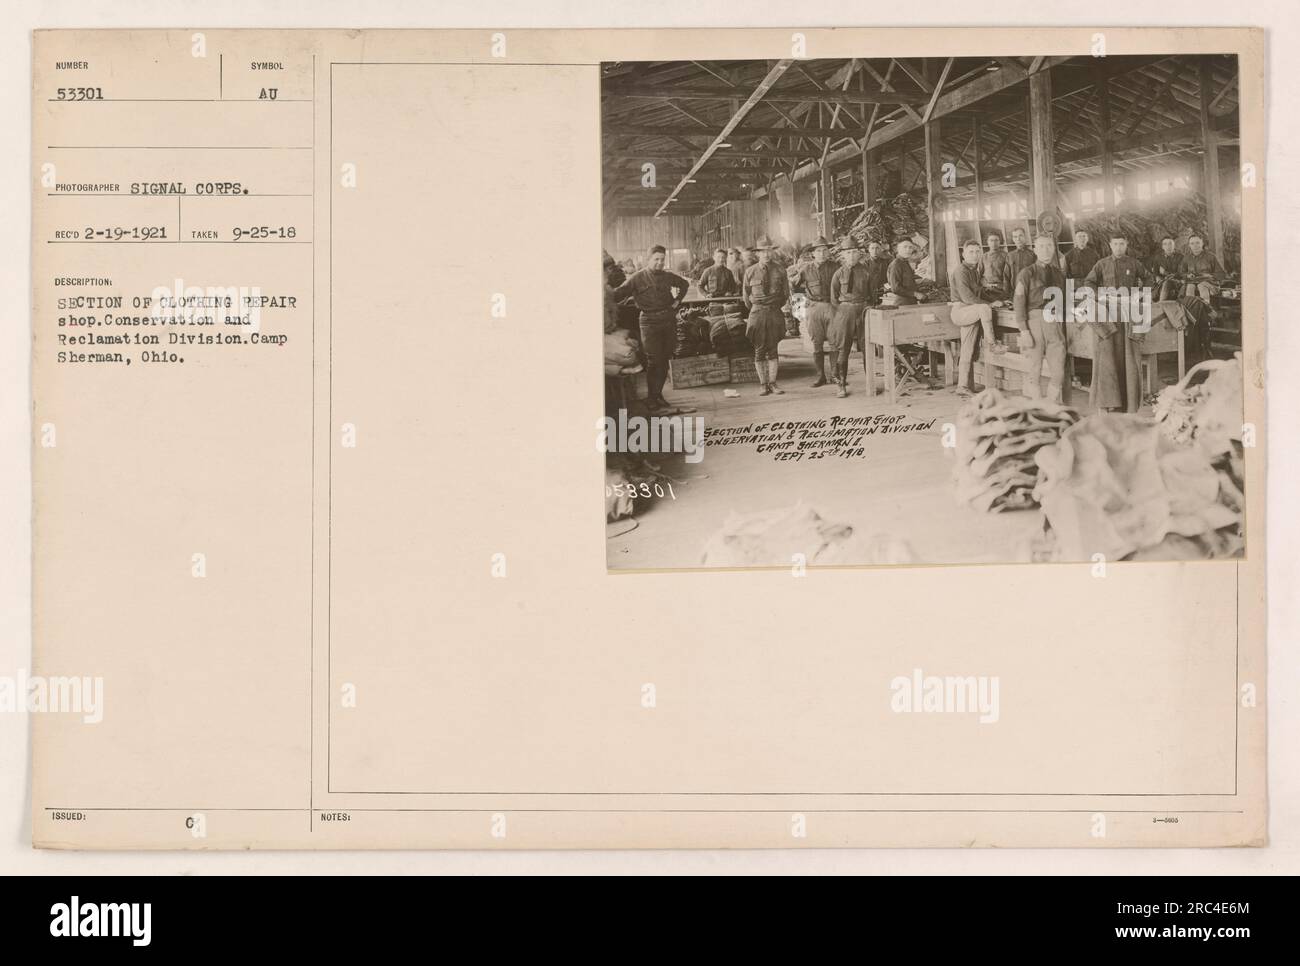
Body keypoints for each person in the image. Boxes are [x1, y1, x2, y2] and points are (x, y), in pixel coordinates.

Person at [611, 244, 690, 412]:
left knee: (665, 359)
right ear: (648, 260)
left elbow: (684, 285)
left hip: (668, 320)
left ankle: (657, 395)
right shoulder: (636, 278)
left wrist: (677, 301)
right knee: (654, 360)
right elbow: (617, 294)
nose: (660, 263)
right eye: (656, 259)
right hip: (648, 322)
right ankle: (651, 397)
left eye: (662, 260)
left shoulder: (668, 277)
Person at [1080, 234, 1148, 413]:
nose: (1118, 247)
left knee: (1128, 357)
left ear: (1126, 245)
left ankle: (1128, 402)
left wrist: (1139, 295)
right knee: (1109, 358)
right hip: (1108, 313)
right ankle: (1110, 401)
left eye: (1122, 244)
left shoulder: (1134, 263)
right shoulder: (1102, 264)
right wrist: (1098, 297)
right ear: (1110, 245)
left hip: (1127, 314)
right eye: (1115, 244)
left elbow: (1149, 279)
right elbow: (1089, 281)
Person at [1012, 233, 1070, 404]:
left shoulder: (1059, 274)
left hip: (1055, 324)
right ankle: (1037, 404)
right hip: (1034, 323)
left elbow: (1064, 302)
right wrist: (1024, 331)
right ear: (1035, 249)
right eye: (1042, 246)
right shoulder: (1026, 273)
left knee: (1058, 369)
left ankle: (1050, 404)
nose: (1046, 250)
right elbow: (1019, 302)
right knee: (1034, 368)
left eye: (1049, 246)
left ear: (1054, 249)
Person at [949, 240, 1003, 395]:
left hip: (971, 310)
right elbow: (967, 297)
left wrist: (998, 298)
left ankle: (962, 386)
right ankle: (992, 344)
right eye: (971, 252)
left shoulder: (975, 270)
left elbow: (979, 293)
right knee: (984, 308)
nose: (975, 254)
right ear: (963, 254)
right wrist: (991, 304)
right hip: (961, 310)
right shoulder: (961, 271)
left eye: (978, 251)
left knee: (967, 349)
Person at [742, 235, 790, 396]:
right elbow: (746, 297)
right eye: (763, 251)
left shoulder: (780, 270)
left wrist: (774, 307)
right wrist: (758, 308)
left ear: (772, 252)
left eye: (769, 251)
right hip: (757, 313)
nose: (766, 254)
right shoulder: (750, 271)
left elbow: (785, 295)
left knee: (773, 349)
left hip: (774, 312)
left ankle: (773, 383)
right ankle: (763, 384)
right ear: (757, 254)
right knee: (759, 350)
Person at [829, 240, 872, 398]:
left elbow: (872, 294)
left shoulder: (866, 272)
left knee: (867, 346)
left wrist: (866, 308)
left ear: (859, 253)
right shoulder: (838, 273)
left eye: (854, 252)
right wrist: (843, 311)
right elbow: (833, 298)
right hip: (844, 311)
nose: (852, 255)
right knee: (843, 348)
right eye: (848, 252)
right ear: (843, 255)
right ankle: (841, 385)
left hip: (863, 310)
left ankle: (870, 383)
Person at [793, 236, 837, 386]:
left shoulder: (836, 267)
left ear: (829, 252)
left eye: (825, 250)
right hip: (813, 308)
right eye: (819, 251)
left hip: (832, 307)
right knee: (816, 343)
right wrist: (799, 311)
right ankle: (821, 376)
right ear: (813, 253)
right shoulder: (805, 268)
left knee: (834, 342)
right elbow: (795, 288)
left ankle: (835, 375)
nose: (822, 253)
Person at [1180, 234, 1225, 302]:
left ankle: (1206, 309)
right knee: (1190, 287)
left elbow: (1221, 274)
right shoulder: (1186, 258)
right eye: (1192, 243)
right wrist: (1187, 275)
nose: (1195, 245)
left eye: (1197, 242)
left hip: (1210, 284)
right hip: (1193, 282)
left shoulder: (1211, 256)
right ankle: (1190, 310)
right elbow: (1181, 273)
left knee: (1202, 286)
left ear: (1202, 243)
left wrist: (1210, 275)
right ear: (1189, 245)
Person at [1148, 236, 1183, 302]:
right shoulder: (1158, 258)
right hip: (1162, 282)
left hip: (1177, 282)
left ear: (1174, 245)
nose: (1168, 246)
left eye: (1170, 243)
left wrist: (1165, 273)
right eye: (1165, 244)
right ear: (1162, 247)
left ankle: (1160, 304)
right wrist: (1157, 277)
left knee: (1167, 282)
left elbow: (1180, 273)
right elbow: (1155, 272)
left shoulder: (1180, 257)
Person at [887, 240, 920, 305]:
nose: (908, 250)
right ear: (898, 249)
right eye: (905, 247)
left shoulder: (905, 262)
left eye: (910, 247)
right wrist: (915, 294)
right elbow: (895, 288)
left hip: (910, 302)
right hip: (902, 303)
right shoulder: (896, 264)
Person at [1005, 227, 1036, 293]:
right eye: (1015, 237)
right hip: (1014, 292)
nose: (1018, 239)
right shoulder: (1010, 255)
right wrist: (1006, 294)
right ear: (1013, 239)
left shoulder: (1033, 255)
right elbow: (1006, 276)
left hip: (1030, 291)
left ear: (1025, 237)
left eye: (1020, 236)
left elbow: (1036, 275)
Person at [980, 233, 1011, 298]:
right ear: (987, 242)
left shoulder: (1006, 256)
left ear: (1000, 241)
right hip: (987, 289)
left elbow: (1009, 275)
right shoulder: (983, 257)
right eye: (991, 240)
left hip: (1001, 289)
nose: (994, 243)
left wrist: (1005, 290)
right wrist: (984, 284)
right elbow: (979, 274)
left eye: (996, 240)